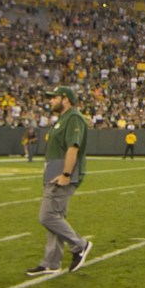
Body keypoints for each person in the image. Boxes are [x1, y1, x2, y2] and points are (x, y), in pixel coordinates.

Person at [26, 86, 93, 276]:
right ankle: (51, 262)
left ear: (66, 99)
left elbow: (73, 147)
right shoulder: (63, 119)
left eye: (54, 97)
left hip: (62, 171)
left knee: (47, 216)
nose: (50, 101)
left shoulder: (73, 118)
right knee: (56, 217)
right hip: (55, 168)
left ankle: (80, 245)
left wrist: (65, 174)